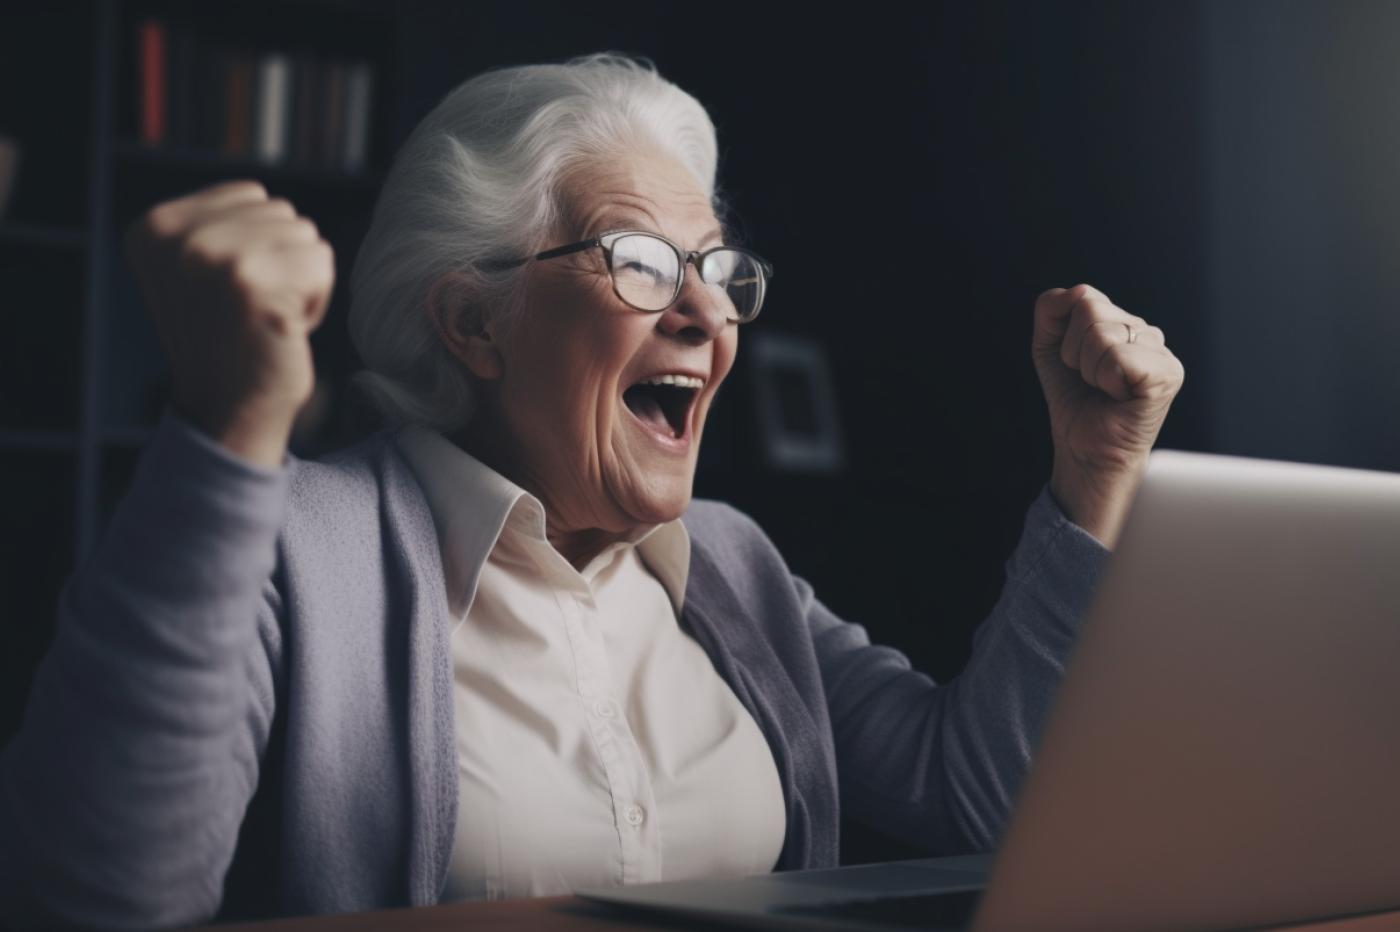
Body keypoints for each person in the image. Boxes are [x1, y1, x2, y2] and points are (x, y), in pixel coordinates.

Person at [0, 53, 1184, 930]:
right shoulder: (295, 543)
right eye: (639, 262)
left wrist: (1094, 475)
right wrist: (226, 431)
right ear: (472, 323)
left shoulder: (731, 563)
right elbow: (96, 897)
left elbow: (978, 802)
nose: (708, 313)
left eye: (718, 271)